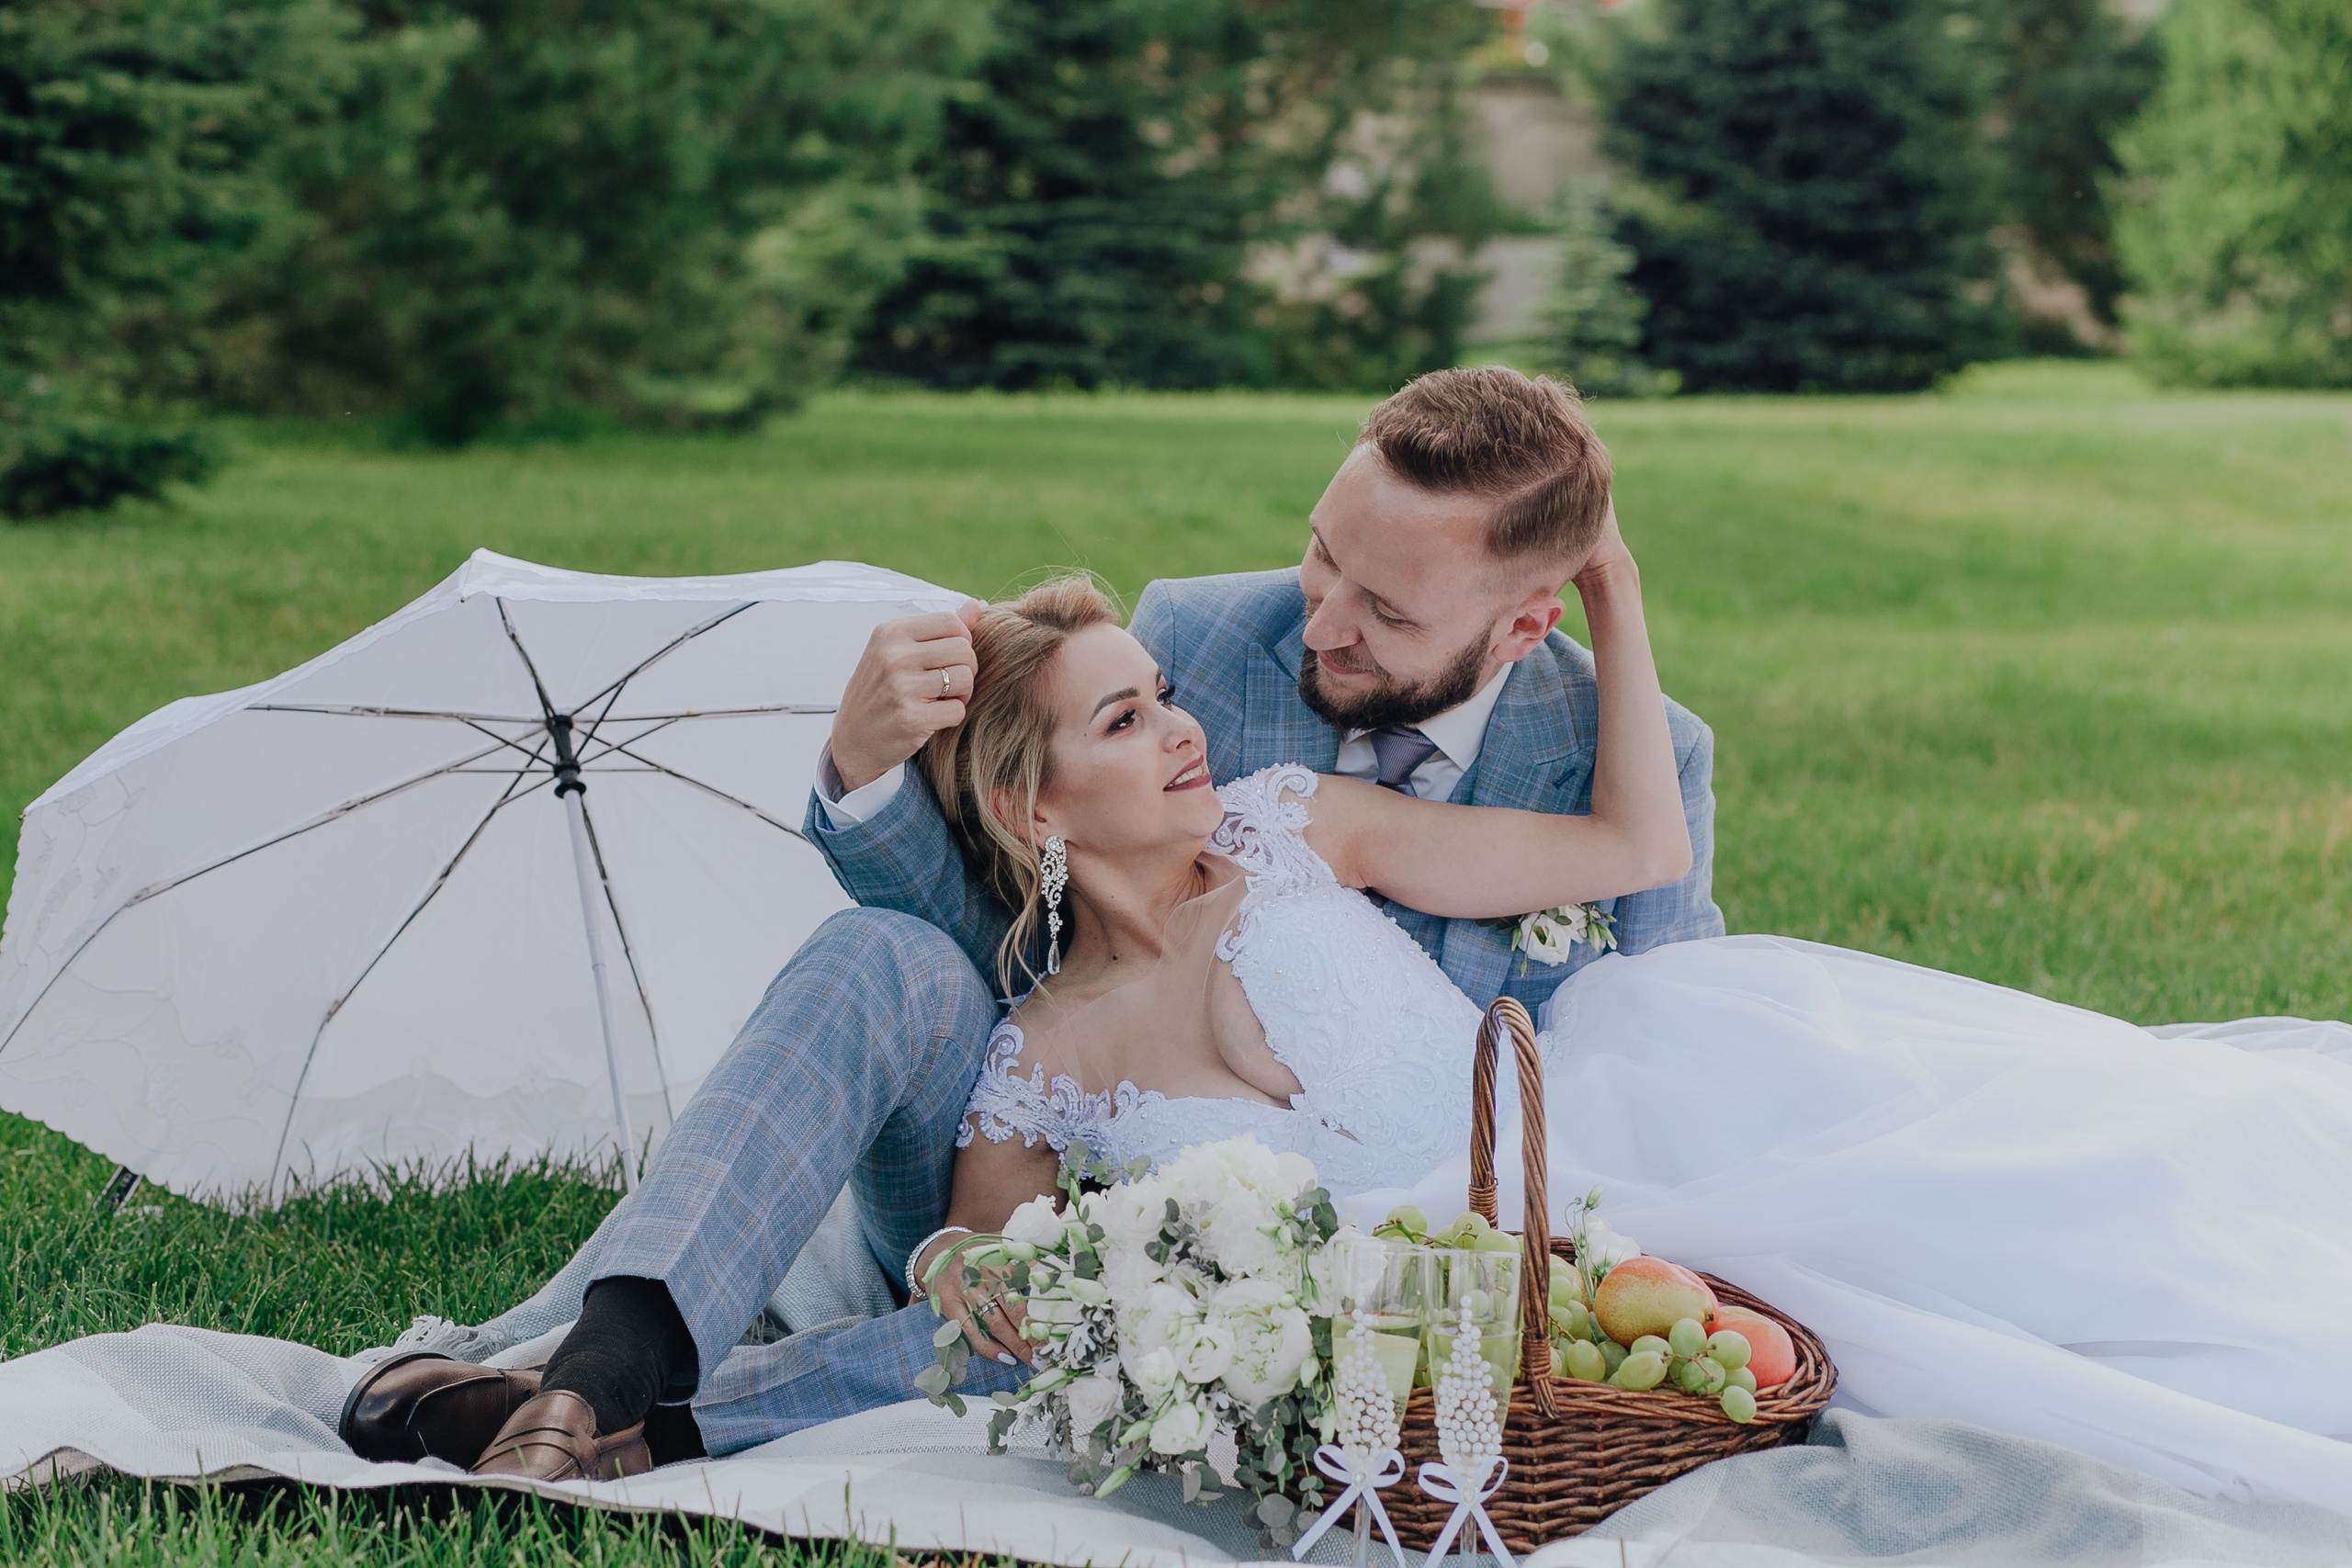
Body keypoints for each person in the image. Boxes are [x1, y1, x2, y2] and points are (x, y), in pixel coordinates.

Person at [338, 367, 1723, 1479]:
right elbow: (1005, 904)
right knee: (905, 1009)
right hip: (1125, 1208)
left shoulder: (1616, 755)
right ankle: (601, 1366)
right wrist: (866, 773)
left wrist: (1625, 586)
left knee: (1118, 1317)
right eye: (1320, 556)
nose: (1319, 625)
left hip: (1412, 1266)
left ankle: (626, 1425)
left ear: (1528, 621)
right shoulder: (1197, 651)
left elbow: (1666, 1021)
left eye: (1386, 609)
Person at [902, 570, 2352, 1516]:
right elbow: (969, 1259)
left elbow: (1629, 844)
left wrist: (1616, 592)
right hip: (1454, 1314)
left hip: (1613, 1124)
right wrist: (993, 1277)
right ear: (1039, 810)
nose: (1178, 729)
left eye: (1162, 693)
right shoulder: (1045, 1050)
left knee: (2029, 1186)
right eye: (1124, 717)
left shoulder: (1298, 823)